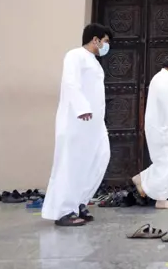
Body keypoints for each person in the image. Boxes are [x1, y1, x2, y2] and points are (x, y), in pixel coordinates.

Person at [42, 23, 113, 227]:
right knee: (71, 164)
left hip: (95, 124)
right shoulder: (75, 55)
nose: (107, 46)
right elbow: (70, 83)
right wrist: (82, 107)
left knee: (99, 159)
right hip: (77, 121)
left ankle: (79, 202)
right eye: (106, 41)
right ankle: (64, 211)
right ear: (95, 40)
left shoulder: (94, 61)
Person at [132, 55, 168, 209]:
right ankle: (160, 198)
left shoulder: (161, 78)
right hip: (161, 128)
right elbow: (165, 103)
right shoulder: (162, 80)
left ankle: (143, 179)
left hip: (160, 126)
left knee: (166, 160)